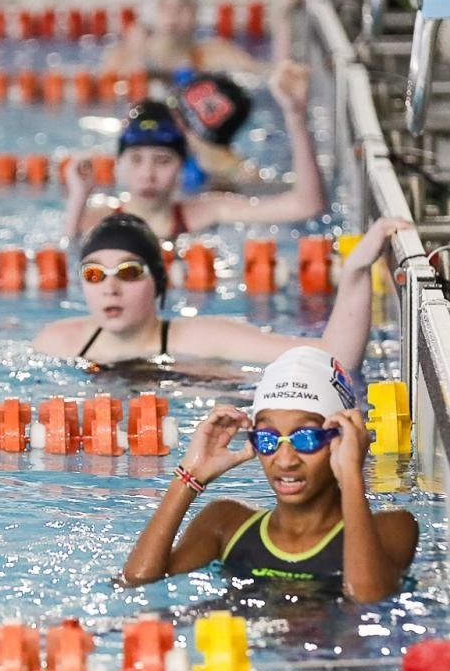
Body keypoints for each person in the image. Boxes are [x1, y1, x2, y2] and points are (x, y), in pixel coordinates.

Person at [121, 346, 418, 602]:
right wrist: (190, 475)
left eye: (306, 438)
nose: (285, 460)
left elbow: (366, 599)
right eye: (267, 439)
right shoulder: (225, 523)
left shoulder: (393, 527)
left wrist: (352, 474)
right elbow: (137, 584)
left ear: (341, 438)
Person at [33, 214, 403, 368]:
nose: (110, 288)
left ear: (160, 282)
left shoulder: (204, 337)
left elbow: (334, 357)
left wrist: (355, 269)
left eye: (129, 272)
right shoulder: (56, 342)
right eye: (95, 274)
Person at [62, 61, 325, 243]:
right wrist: (78, 197)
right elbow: (70, 247)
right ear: (119, 163)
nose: (148, 174)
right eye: (136, 159)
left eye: (163, 161)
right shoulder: (97, 220)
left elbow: (306, 205)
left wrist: (295, 115)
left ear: (181, 165)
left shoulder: (208, 211)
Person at [102, 0, 295, 77]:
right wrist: (139, 55)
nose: (173, 13)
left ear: (197, 14)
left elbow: (276, 76)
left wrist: (283, 18)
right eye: (163, 5)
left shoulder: (216, 53)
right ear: (149, 12)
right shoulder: (123, 55)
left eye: (183, 5)